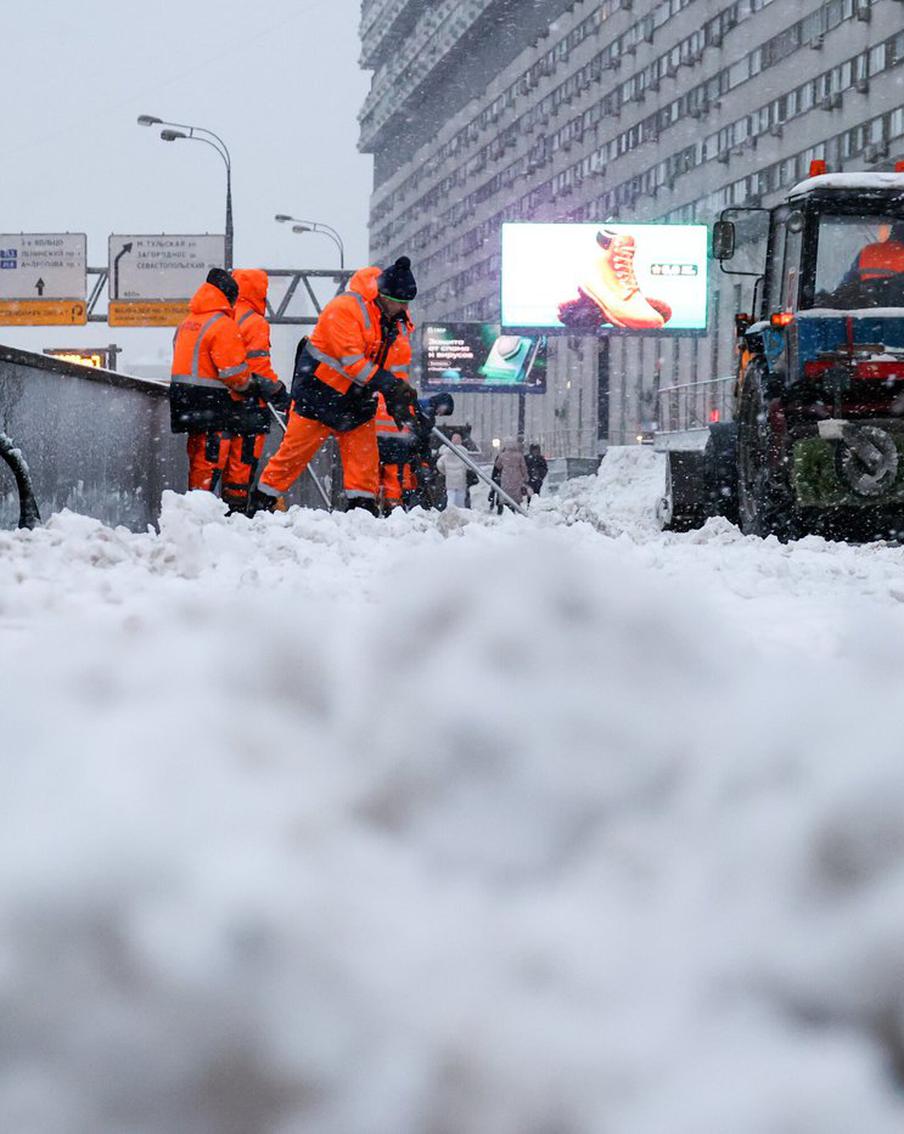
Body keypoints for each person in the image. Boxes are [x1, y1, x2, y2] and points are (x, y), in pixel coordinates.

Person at [251, 257, 419, 515]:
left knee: (364, 466)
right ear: (383, 295)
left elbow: (395, 364)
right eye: (400, 303)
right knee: (291, 458)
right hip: (319, 395)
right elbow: (352, 362)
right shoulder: (345, 309)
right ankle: (260, 506)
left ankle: (362, 515)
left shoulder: (395, 322)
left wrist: (401, 397)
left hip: (357, 400)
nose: (404, 308)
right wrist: (389, 385)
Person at [169, 268, 275, 499]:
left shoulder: (188, 322)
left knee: (198, 461)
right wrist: (254, 386)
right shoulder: (222, 324)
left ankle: (193, 507)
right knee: (211, 459)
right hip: (211, 403)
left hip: (184, 402)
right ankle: (205, 511)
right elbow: (234, 375)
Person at [223, 269, 290, 514]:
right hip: (248, 403)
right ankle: (238, 511)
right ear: (259, 292)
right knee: (243, 461)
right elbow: (259, 367)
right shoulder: (255, 322)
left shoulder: (226, 315)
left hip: (222, 399)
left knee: (223, 460)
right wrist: (279, 390)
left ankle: (223, 508)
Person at [491, 438, 530, 513]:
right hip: (517, 476)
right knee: (516, 494)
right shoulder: (519, 455)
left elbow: (498, 465)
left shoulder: (502, 455)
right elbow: (523, 467)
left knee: (506, 492)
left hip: (506, 476)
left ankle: (505, 507)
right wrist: (525, 476)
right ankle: (516, 508)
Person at [436, 432, 470, 508]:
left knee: (450, 499)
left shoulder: (447, 453)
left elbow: (439, 464)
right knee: (460, 501)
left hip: (450, 480)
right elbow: (469, 466)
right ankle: (460, 515)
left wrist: (445, 472)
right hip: (461, 480)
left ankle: (450, 514)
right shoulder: (464, 453)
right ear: (461, 441)